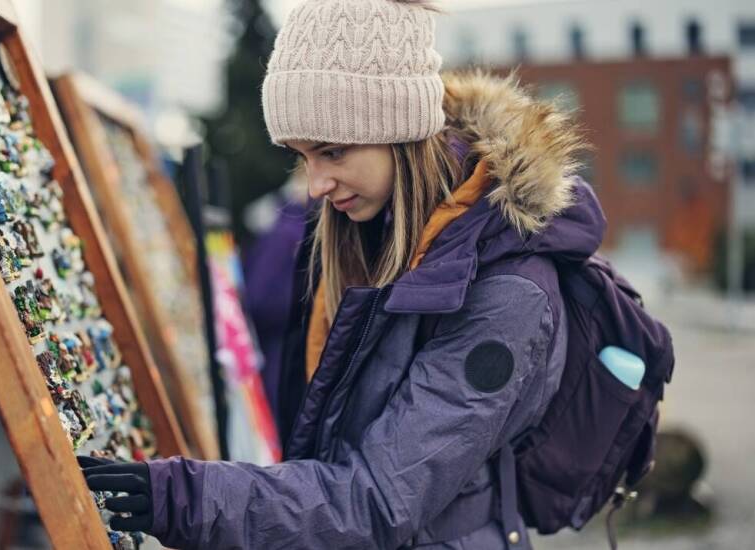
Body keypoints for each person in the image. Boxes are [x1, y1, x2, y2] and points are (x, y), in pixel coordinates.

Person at [80, 0, 607, 548]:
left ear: (401, 133)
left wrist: (183, 496)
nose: (315, 185)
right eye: (303, 156)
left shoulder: (508, 295)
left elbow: (378, 500)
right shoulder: (362, 232)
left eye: (332, 151)